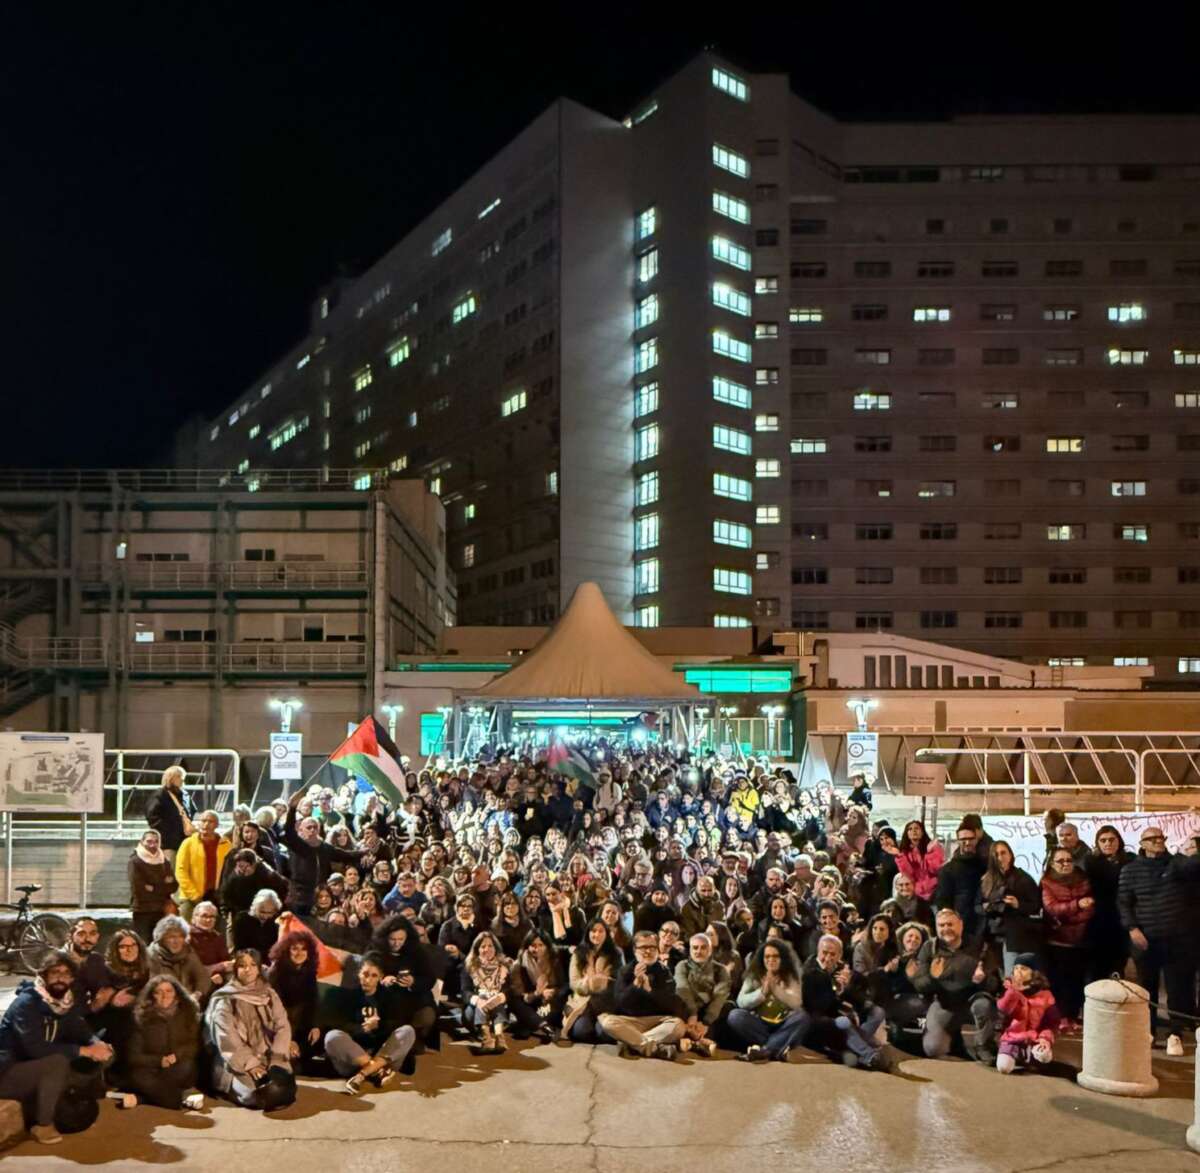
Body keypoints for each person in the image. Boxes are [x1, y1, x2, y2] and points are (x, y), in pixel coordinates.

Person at [0, 951, 113, 1144]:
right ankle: (43, 1125)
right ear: (44, 976)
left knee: (105, 1050)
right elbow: (34, 1049)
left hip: (36, 1068)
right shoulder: (27, 1004)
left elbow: (79, 1029)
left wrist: (97, 1043)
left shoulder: (63, 1002)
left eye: (66, 973)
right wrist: (83, 1051)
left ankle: (66, 1094)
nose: (61, 978)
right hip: (9, 1072)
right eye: (55, 972)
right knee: (58, 1062)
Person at [1117, 824, 1200, 1054]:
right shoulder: (1130, 870)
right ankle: (1148, 1031)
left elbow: (1196, 864)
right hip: (1145, 940)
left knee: (1177, 989)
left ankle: (1175, 1034)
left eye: (1160, 838)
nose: (1157, 841)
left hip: (1177, 940)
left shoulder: (1177, 865)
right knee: (1146, 989)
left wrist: (1197, 844)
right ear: (1142, 844)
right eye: (1151, 838)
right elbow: (1124, 903)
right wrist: (1133, 929)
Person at [204, 948, 295, 1110]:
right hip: (235, 1060)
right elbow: (226, 1038)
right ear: (236, 969)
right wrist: (250, 1064)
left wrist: (276, 1059)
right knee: (253, 1096)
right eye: (242, 965)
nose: (248, 970)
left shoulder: (269, 994)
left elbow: (282, 1026)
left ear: (259, 968)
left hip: (267, 1055)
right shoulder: (225, 999)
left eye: (253, 965)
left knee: (281, 1090)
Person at [913, 908, 998, 1062]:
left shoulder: (980, 947)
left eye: (950, 924)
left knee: (983, 1006)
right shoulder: (929, 948)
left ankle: (984, 1046)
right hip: (945, 1004)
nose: (946, 929)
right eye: (941, 925)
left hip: (972, 1002)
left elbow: (995, 984)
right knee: (933, 1048)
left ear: (961, 925)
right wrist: (933, 977)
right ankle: (956, 1040)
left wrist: (983, 979)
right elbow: (919, 985)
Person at [323, 954, 417, 1094]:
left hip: (383, 1054)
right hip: (354, 1058)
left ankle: (362, 1075)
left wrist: (378, 1026)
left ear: (380, 977)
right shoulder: (347, 996)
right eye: (365, 974)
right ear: (359, 973)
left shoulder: (388, 996)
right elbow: (338, 1025)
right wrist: (362, 1028)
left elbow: (397, 1024)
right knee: (332, 1037)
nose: (368, 979)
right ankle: (377, 1071)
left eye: (374, 976)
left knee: (408, 1031)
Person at [598, 930, 688, 1059]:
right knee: (606, 1021)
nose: (648, 951)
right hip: (630, 1021)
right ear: (635, 951)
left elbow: (672, 1004)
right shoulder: (625, 971)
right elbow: (619, 1003)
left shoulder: (664, 972)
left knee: (679, 1026)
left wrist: (649, 990)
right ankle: (652, 1047)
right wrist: (634, 985)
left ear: (657, 950)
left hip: (656, 1022)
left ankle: (632, 1043)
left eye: (652, 947)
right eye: (643, 947)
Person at [124, 976, 205, 1110]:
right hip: (151, 1068)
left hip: (177, 1066)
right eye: (159, 992)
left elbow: (193, 1045)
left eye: (169, 991)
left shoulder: (187, 1014)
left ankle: (142, 1098)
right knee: (138, 1077)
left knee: (187, 1067)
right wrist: (158, 1061)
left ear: (177, 994)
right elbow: (133, 1056)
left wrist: (177, 1056)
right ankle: (180, 1099)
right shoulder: (141, 1018)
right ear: (152, 996)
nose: (164, 996)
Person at [283, 787, 364, 915]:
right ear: (301, 830)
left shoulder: (324, 847)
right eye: (308, 827)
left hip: (320, 896)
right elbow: (289, 831)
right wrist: (292, 809)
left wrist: (364, 852)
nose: (312, 830)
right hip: (300, 897)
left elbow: (345, 855)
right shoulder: (297, 845)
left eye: (315, 827)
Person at [1040, 847, 1095, 1027]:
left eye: (1068, 860)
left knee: (1077, 981)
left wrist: (1070, 915)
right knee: (1058, 981)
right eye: (1060, 861)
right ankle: (1060, 1017)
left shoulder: (1084, 880)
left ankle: (1073, 1016)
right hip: (1057, 940)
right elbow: (1052, 908)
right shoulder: (1047, 883)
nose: (1065, 864)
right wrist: (1078, 905)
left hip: (1081, 939)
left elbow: (1091, 909)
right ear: (1052, 864)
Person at [728, 940, 807, 1062]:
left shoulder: (791, 976)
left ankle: (764, 1050)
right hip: (759, 1024)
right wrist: (762, 993)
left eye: (776, 956)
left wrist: (776, 989)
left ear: (783, 958)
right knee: (735, 1016)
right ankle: (777, 1048)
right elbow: (741, 1002)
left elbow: (796, 1003)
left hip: (783, 1024)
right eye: (767, 956)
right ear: (762, 958)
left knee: (802, 1017)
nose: (771, 959)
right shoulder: (754, 975)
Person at [977, 840, 1043, 972]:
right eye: (996, 854)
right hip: (991, 935)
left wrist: (1018, 904)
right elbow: (976, 905)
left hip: (1014, 937)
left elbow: (1036, 905)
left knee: (1011, 976)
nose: (1000, 857)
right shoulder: (986, 880)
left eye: (1003, 853)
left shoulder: (1023, 878)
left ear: (1011, 855)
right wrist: (986, 907)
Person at [995, 953, 1060, 1075]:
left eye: (1023, 969)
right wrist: (1013, 991)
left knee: (1044, 1058)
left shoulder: (1045, 995)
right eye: (1016, 968)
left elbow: (1051, 1023)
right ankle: (1015, 1054)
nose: (1018, 972)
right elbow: (1003, 1009)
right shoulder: (1010, 991)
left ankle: (1028, 1057)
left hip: (1034, 1038)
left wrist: (1045, 1039)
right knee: (1004, 1067)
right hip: (1012, 1038)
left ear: (1034, 973)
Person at [1084, 824, 1134, 983]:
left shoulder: (1130, 861)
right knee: (1096, 971)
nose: (1107, 843)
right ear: (1097, 843)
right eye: (1103, 840)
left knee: (1117, 970)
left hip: (1122, 921)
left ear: (1119, 840)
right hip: (1097, 922)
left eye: (1112, 839)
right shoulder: (1090, 863)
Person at [267, 932, 322, 1073]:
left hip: (301, 1024)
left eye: (304, 949)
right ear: (286, 950)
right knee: (292, 1064)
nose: (299, 953)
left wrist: (315, 1026)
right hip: (279, 1026)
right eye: (295, 949)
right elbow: (275, 1010)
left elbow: (313, 1000)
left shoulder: (309, 971)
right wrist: (288, 1039)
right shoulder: (275, 972)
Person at [673, 932, 729, 1056]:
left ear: (710, 950)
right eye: (695, 947)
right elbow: (683, 989)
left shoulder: (721, 970)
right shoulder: (682, 966)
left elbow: (719, 996)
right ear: (690, 950)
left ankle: (694, 1038)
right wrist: (692, 1013)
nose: (698, 951)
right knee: (677, 999)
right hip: (688, 1010)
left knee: (727, 1006)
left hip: (708, 1012)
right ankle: (699, 1040)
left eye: (703, 948)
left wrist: (706, 1022)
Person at [564, 919, 620, 1043]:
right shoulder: (578, 953)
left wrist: (602, 983)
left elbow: (618, 982)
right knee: (581, 1033)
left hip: (606, 1003)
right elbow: (573, 983)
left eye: (601, 931)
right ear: (588, 933)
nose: (597, 935)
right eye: (593, 931)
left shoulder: (616, 953)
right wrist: (591, 983)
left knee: (605, 1035)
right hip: (583, 1001)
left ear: (607, 933)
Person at [461, 932, 514, 1054]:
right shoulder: (469, 966)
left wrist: (500, 997)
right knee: (483, 1001)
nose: (487, 949)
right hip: (475, 1008)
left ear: (496, 948)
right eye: (483, 946)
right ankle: (486, 1038)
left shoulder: (504, 966)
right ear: (477, 949)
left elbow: (510, 989)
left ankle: (500, 1037)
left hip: (497, 1007)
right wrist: (478, 1000)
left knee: (497, 1000)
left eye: (490, 946)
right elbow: (465, 991)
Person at [174, 810, 231, 923]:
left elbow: (230, 873)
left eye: (210, 821)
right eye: (203, 821)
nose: (206, 824)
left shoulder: (227, 846)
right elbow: (181, 871)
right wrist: (194, 895)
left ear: (217, 825)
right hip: (190, 898)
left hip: (217, 898)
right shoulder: (188, 843)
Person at [934, 822, 986, 941]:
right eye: (963, 839)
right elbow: (943, 902)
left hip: (985, 927)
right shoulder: (947, 870)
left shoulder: (986, 866)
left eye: (970, 839)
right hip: (960, 928)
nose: (967, 842)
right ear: (957, 840)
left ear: (976, 840)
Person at [509, 928, 565, 1039]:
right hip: (530, 1001)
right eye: (533, 945)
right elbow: (519, 994)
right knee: (514, 1001)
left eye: (541, 945)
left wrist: (553, 992)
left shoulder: (554, 960)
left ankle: (530, 1024)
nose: (537, 949)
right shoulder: (518, 965)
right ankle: (543, 1026)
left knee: (559, 1002)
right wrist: (538, 993)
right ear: (527, 946)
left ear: (547, 946)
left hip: (550, 1001)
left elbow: (562, 984)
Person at [128, 829, 179, 944]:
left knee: (160, 943)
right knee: (144, 944)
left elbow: (174, 886)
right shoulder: (135, 861)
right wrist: (163, 885)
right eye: (149, 841)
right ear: (142, 842)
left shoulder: (163, 860)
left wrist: (153, 887)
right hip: (143, 910)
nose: (153, 845)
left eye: (156, 842)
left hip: (161, 910)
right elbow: (138, 888)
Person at [147, 915, 213, 1000]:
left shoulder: (188, 952)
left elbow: (203, 978)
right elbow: (153, 988)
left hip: (188, 1001)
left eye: (180, 936)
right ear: (161, 938)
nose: (176, 941)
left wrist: (197, 994)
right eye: (171, 937)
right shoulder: (151, 956)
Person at [144, 764, 196, 862]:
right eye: (179, 777)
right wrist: (168, 831)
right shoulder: (160, 795)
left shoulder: (183, 794)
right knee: (170, 869)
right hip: (168, 842)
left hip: (182, 840)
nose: (182, 780)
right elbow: (152, 816)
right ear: (170, 778)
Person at [893, 820, 944, 902]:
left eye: (917, 828)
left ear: (922, 832)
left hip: (935, 892)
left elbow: (936, 869)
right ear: (907, 834)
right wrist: (899, 857)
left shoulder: (933, 847)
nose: (914, 831)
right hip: (915, 893)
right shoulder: (904, 853)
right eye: (910, 829)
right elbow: (908, 875)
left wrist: (929, 853)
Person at [232, 888, 283, 956]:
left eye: (270, 913)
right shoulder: (242, 919)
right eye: (262, 912)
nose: (265, 916)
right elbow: (240, 947)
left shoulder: (274, 923)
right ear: (255, 907)